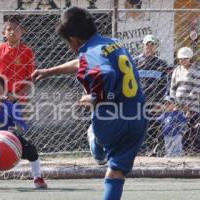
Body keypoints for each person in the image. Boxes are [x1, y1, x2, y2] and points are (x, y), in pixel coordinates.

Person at [31, 7, 148, 200]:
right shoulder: (112, 43)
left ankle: (97, 142)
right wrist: (49, 71)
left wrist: (96, 98)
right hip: (138, 117)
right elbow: (85, 63)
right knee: (115, 172)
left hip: (112, 119)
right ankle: (100, 145)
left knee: (97, 131)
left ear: (74, 41)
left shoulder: (89, 52)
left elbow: (104, 72)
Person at [134, 34, 171, 156]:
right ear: (143, 46)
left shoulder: (162, 64)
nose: (149, 48)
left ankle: (155, 150)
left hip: (156, 101)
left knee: (155, 126)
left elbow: (166, 84)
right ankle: (140, 150)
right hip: (138, 101)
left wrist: (163, 100)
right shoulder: (135, 62)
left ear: (155, 47)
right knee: (138, 126)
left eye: (152, 45)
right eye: (147, 45)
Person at [0, 16, 35, 104]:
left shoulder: (27, 51)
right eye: (9, 29)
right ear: (4, 33)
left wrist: (17, 94)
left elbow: (31, 79)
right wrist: (0, 91)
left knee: (19, 117)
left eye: (16, 29)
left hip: (20, 98)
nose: (12, 32)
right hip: (0, 97)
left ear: (22, 31)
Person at [170, 47, 200, 154]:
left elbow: (196, 88)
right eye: (180, 59)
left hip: (193, 106)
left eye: (184, 58)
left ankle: (193, 151)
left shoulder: (197, 70)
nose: (182, 61)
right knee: (180, 129)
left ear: (190, 58)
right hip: (178, 106)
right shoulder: (176, 70)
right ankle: (181, 151)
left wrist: (188, 105)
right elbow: (172, 88)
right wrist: (175, 103)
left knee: (193, 129)